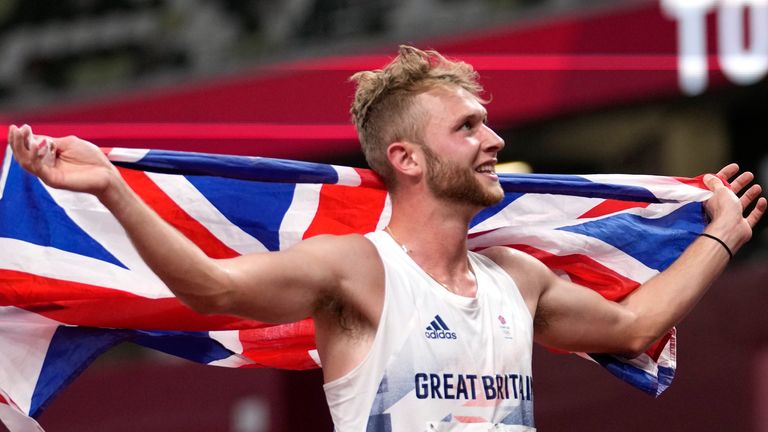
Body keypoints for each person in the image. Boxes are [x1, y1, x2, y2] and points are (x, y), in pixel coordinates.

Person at [8, 45, 767, 431]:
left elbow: (636, 325)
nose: (494, 138)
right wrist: (110, 186)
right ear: (406, 159)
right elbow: (213, 287)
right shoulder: (356, 270)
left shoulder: (517, 276)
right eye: (468, 126)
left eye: (489, 121)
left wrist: (721, 239)